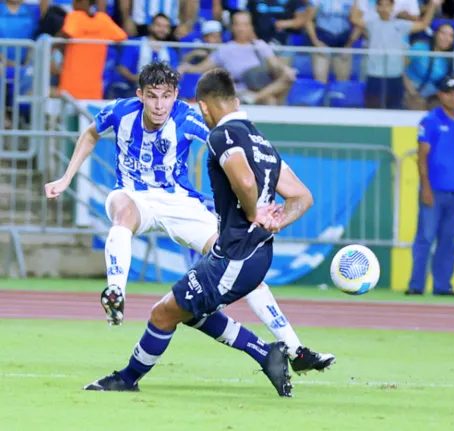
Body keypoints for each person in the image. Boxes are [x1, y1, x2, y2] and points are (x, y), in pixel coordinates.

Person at [43, 62, 334, 375]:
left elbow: (232, 142)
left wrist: (269, 165)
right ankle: (115, 292)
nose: (159, 105)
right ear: (140, 95)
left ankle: (294, 349)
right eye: (152, 96)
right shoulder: (119, 111)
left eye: (166, 96)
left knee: (235, 261)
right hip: (133, 194)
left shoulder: (188, 116)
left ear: (176, 96)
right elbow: (89, 134)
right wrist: (65, 178)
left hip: (180, 202)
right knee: (121, 214)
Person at [406, 76, 454, 297]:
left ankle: (442, 286)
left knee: (448, 240)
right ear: (441, 95)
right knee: (425, 238)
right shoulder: (430, 121)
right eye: (449, 93)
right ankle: (416, 285)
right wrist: (425, 188)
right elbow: (422, 156)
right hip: (434, 190)